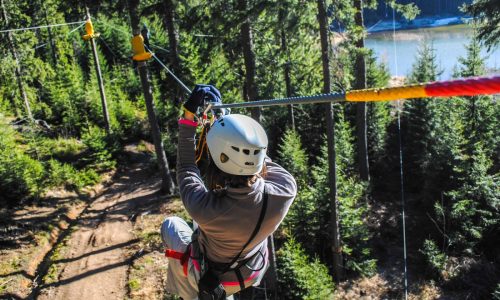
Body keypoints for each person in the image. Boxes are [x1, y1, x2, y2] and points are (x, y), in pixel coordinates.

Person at [160, 85, 297, 299]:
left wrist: (189, 118)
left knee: (170, 225)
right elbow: (259, 159)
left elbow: (187, 167)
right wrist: (225, 124)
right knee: (199, 227)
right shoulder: (285, 190)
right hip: (251, 271)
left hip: (214, 276)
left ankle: (188, 294)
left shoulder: (205, 208)